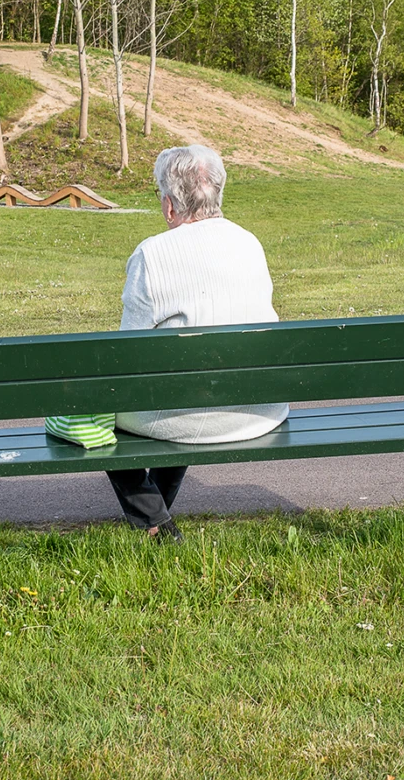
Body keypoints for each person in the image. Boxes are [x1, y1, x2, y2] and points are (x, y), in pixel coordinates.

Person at [109, 144, 288, 542]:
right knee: (181, 385)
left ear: (170, 206)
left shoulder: (152, 254)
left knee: (85, 406)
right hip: (258, 409)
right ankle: (158, 512)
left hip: (187, 414)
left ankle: (154, 519)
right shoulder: (250, 244)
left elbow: (128, 357)